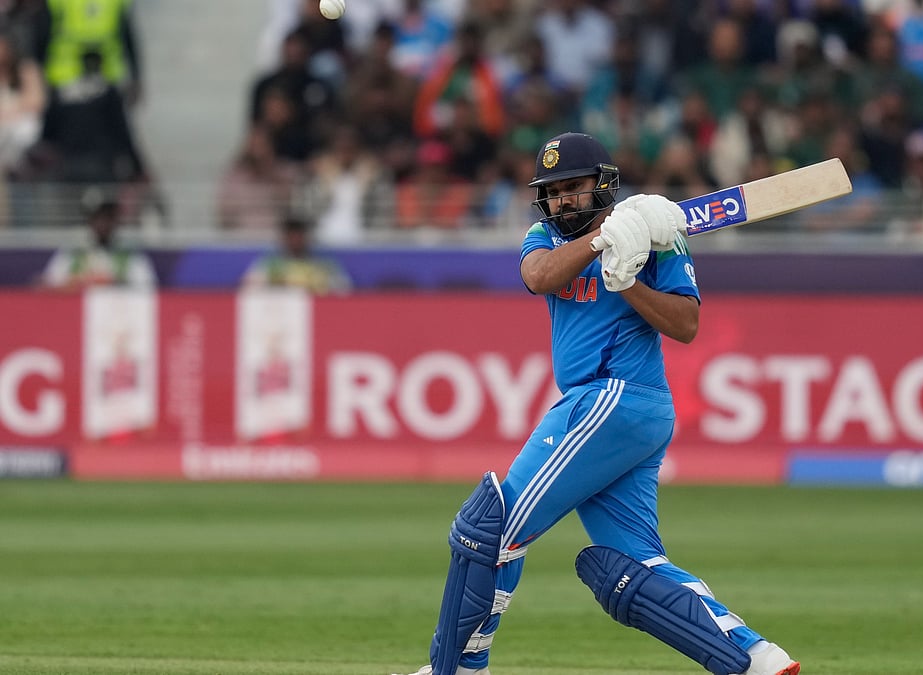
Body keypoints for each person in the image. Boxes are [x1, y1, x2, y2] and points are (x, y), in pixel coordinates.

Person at [398, 132, 801, 675]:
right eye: (552, 191)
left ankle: (462, 668)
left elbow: (686, 324)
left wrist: (626, 280)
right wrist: (604, 240)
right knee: (635, 562)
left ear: (602, 185)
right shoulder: (545, 236)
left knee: (491, 527)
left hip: (613, 396)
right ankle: (756, 658)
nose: (562, 201)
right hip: (622, 414)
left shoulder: (659, 237)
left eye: (573, 187)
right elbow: (538, 277)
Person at [39, 188, 156, 289]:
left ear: (115, 222)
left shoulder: (129, 255)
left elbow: (147, 286)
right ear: (90, 221)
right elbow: (49, 285)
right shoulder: (73, 252)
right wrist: (78, 283)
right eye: (98, 218)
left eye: (108, 218)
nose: (103, 224)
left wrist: (114, 284)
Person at [241, 215, 351, 294]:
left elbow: (343, 292)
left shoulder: (324, 265)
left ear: (307, 238)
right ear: (283, 239)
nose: (295, 241)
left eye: (299, 236)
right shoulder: (269, 264)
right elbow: (248, 289)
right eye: (291, 237)